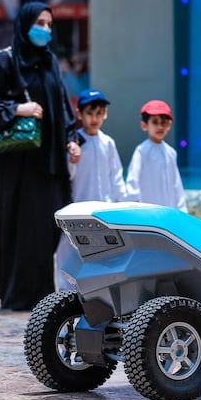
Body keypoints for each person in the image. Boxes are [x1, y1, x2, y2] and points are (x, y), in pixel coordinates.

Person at [0, 1, 82, 310]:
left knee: (49, 228)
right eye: (39, 23)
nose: (45, 30)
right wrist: (17, 109)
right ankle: (20, 294)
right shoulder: (4, 62)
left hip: (48, 163)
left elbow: (62, 109)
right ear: (24, 25)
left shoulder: (50, 63)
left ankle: (40, 293)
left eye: (49, 24)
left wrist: (71, 140)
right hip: (16, 164)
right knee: (21, 229)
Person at [54, 88, 128, 290]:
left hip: (103, 211)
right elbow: (68, 175)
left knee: (102, 254)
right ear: (79, 114)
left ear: (105, 114)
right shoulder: (75, 142)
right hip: (77, 208)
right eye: (89, 113)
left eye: (99, 113)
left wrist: (124, 202)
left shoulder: (108, 143)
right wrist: (72, 158)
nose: (94, 119)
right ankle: (66, 294)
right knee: (70, 252)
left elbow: (116, 177)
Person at [126, 100, 187, 212]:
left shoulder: (171, 153)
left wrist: (182, 209)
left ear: (169, 125)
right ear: (144, 125)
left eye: (163, 122)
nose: (160, 127)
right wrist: (135, 205)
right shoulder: (141, 151)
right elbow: (133, 180)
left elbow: (176, 184)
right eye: (155, 122)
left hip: (168, 211)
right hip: (147, 212)